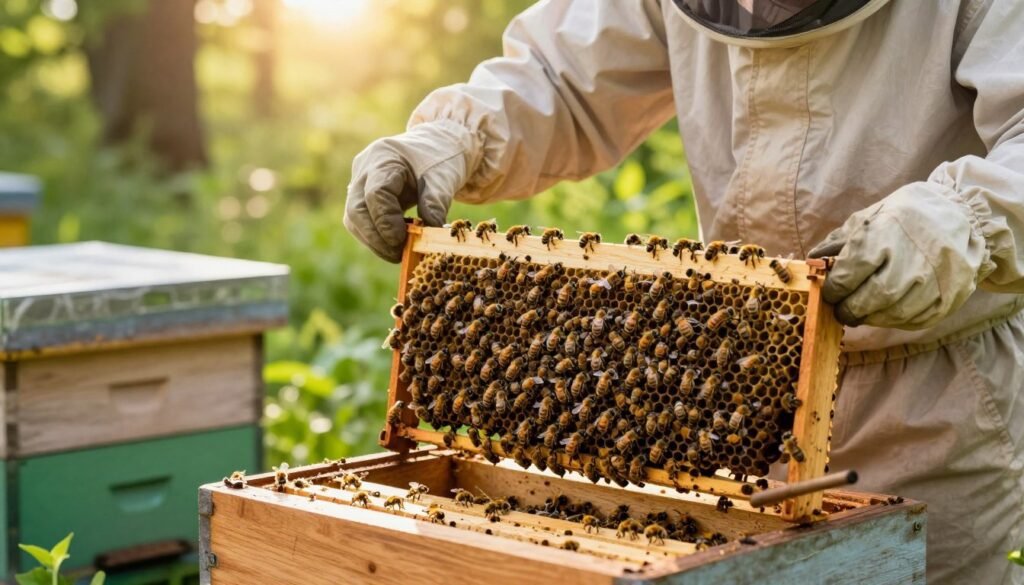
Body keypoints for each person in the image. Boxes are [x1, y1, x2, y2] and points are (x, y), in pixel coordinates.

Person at [343, 1, 1024, 582]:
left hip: (937, 402)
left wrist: (964, 218)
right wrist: (449, 138)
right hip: (739, 387)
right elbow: (563, 75)